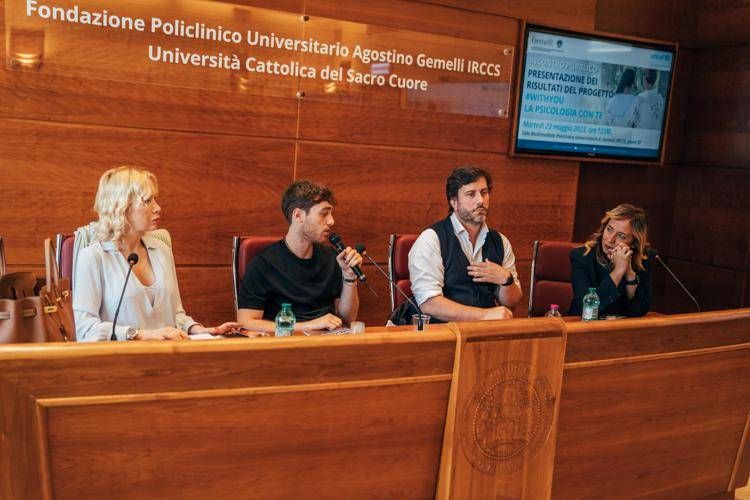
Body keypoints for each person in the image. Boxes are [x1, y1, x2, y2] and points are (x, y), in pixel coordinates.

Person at [74, 166, 242, 341]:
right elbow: (86, 330)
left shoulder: (162, 250)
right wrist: (139, 335)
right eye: (147, 201)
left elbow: (176, 314)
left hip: (170, 359)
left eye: (156, 199)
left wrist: (198, 330)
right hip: (121, 362)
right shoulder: (93, 257)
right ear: (122, 207)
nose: (157, 208)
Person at [237, 180, 362, 333]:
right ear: (298, 215)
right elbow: (246, 322)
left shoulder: (332, 257)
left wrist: (349, 278)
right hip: (286, 345)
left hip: (329, 343)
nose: (331, 221)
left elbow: (348, 320)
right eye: (324, 214)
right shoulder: (263, 264)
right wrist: (307, 326)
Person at [407, 166, 522, 323]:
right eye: (470, 194)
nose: (480, 200)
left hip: (485, 336)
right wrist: (484, 316)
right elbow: (429, 303)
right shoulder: (431, 240)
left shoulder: (501, 241)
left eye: (484, 192)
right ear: (454, 202)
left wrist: (506, 279)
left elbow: (512, 303)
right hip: (441, 335)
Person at [569, 204, 654, 317]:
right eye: (609, 229)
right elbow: (585, 309)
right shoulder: (582, 257)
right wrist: (618, 271)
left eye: (621, 236)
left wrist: (629, 273)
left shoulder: (642, 261)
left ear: (633, 243)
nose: (610, 239)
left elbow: (640, 310)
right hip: (583, 328)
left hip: (620, 330)